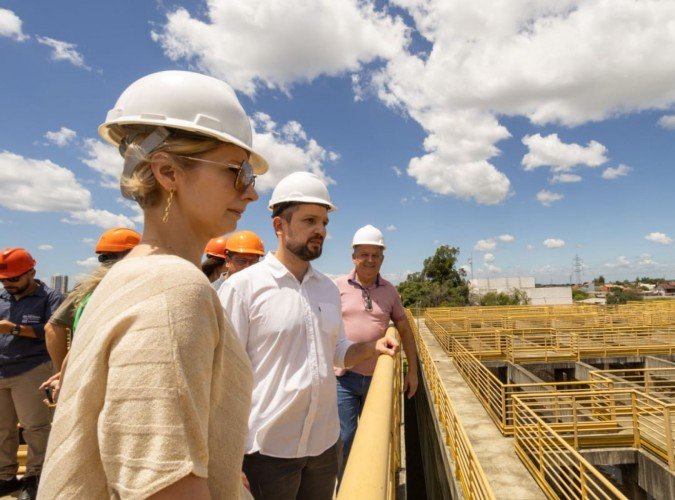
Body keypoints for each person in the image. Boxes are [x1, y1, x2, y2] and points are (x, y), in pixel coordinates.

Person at [39, 70, 268, 499]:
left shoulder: (127, 276)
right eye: (238, 173)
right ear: (168, 172)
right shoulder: (174, 289)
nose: (250, 192)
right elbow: (163, 483)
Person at [218, 172, 399, 500]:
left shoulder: (328, 290)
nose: (321, 231)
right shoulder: (243, 289)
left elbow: (338, 352)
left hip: (323, 448)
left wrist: (373, 347)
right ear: (279, 226)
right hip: (266, 453)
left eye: (325, 223)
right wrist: (227, 459)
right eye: (310, 220)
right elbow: (220, 379)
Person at [335, 225, 419, 480]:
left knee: (375, 437)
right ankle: (347, 488)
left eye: (376, 255)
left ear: (382, 258)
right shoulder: (336, 287)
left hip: (376, 378)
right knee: (345, 438)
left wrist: (412, 371)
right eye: (364, 254)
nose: (370, 260)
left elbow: (405, 330)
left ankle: (373, 483)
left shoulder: (389, 291)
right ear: (354, 257)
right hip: (343, 377)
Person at [0, 247, 63, 500]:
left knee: (34, 427)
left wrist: (14, 329)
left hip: (32, 369)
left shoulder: (50, 297)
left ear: (31, 272)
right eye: (4, 280)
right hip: (3, 368)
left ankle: (34, 477)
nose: (8, 284)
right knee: (2, 429)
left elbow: (54, 330)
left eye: (14, 279)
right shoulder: (2, 297)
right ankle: (5, 477)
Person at [45, 227, 141, 373]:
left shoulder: (86, 289)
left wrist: (62, 375)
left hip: (86, 369)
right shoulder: (140, 286)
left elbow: (52, 328)